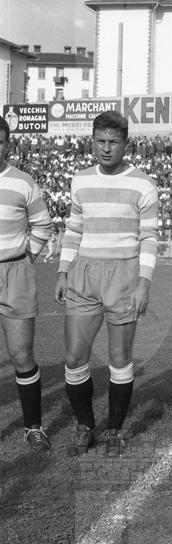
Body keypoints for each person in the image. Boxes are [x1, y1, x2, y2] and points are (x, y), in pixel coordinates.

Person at [55, 111, 159, 455]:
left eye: (113, 142)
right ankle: (85, 426)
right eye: (100, 141)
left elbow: (149, 238)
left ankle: (114, 430)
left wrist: (143, 283)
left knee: (119, 357)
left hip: (124, 276)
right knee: (74, 357)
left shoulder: (143, 184)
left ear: (126, 144)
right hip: (84, 274)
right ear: (93, 141)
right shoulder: (81, 180)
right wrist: (63, 271)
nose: (106, 148)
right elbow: (74, 229)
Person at [0, 117, 53, 451]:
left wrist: (26, 257)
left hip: (14, 273)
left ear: (8, 144)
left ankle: (34, 427)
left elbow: (43, 224)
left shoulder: (23, 182)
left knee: (21, 354)